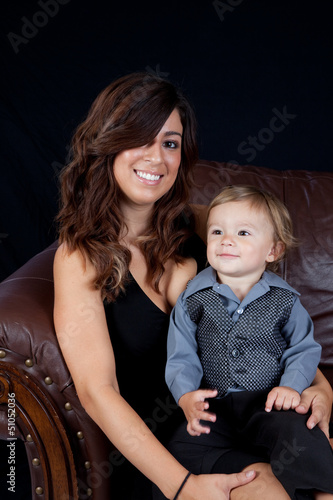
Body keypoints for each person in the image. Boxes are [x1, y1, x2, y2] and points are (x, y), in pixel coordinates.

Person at [53, 72, 332, 500]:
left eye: (170, 143)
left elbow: (268, 316)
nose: (157, 158)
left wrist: (320, 389)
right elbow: (97, 391)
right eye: (140, 138)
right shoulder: (80, 258)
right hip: (170, 448)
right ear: (107, 143)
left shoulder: (207, 226)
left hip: (253, 416)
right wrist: (182, 486)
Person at [165, 185, 333, 499]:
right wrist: (186, 396)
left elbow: (303, 349)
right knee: (181, 444)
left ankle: (325, 491)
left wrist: (291, 386)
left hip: (269, 402)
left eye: (243, 233)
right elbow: (181, 355)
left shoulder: (285, 300)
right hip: (214, 407)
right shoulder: (193, 297)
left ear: (273, 251)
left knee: (300, 432)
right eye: (217, 231)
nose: (226, 240)